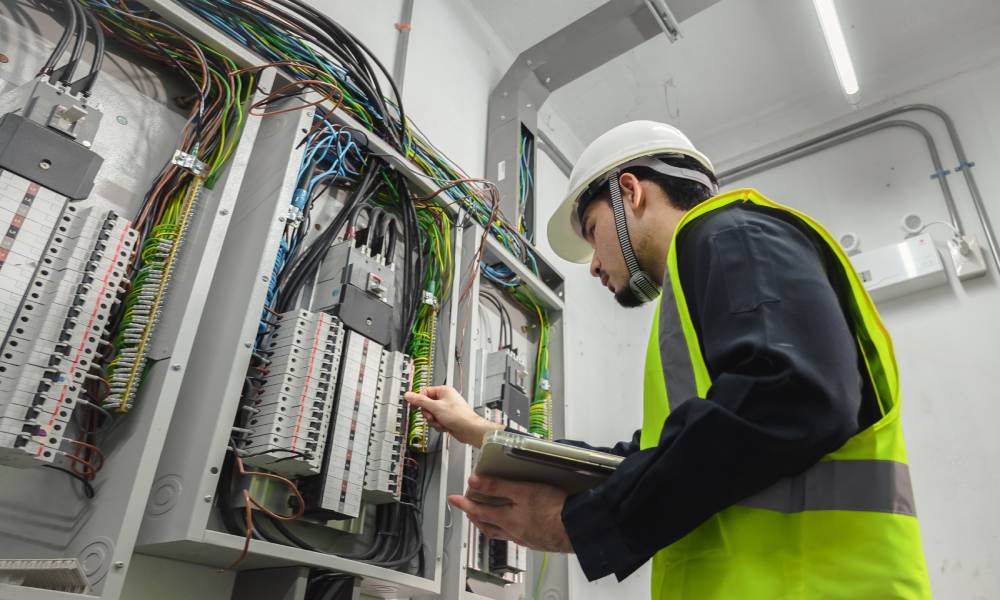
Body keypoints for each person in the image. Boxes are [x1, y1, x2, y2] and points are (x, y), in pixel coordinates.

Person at [405, 121, 931, 599]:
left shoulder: (733, 234)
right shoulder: (702, 272)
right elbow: (651, 456)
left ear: (630, 192)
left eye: (592, 231)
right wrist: (479, 431)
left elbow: (791, 393)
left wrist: (580, 525)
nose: (593, 265)